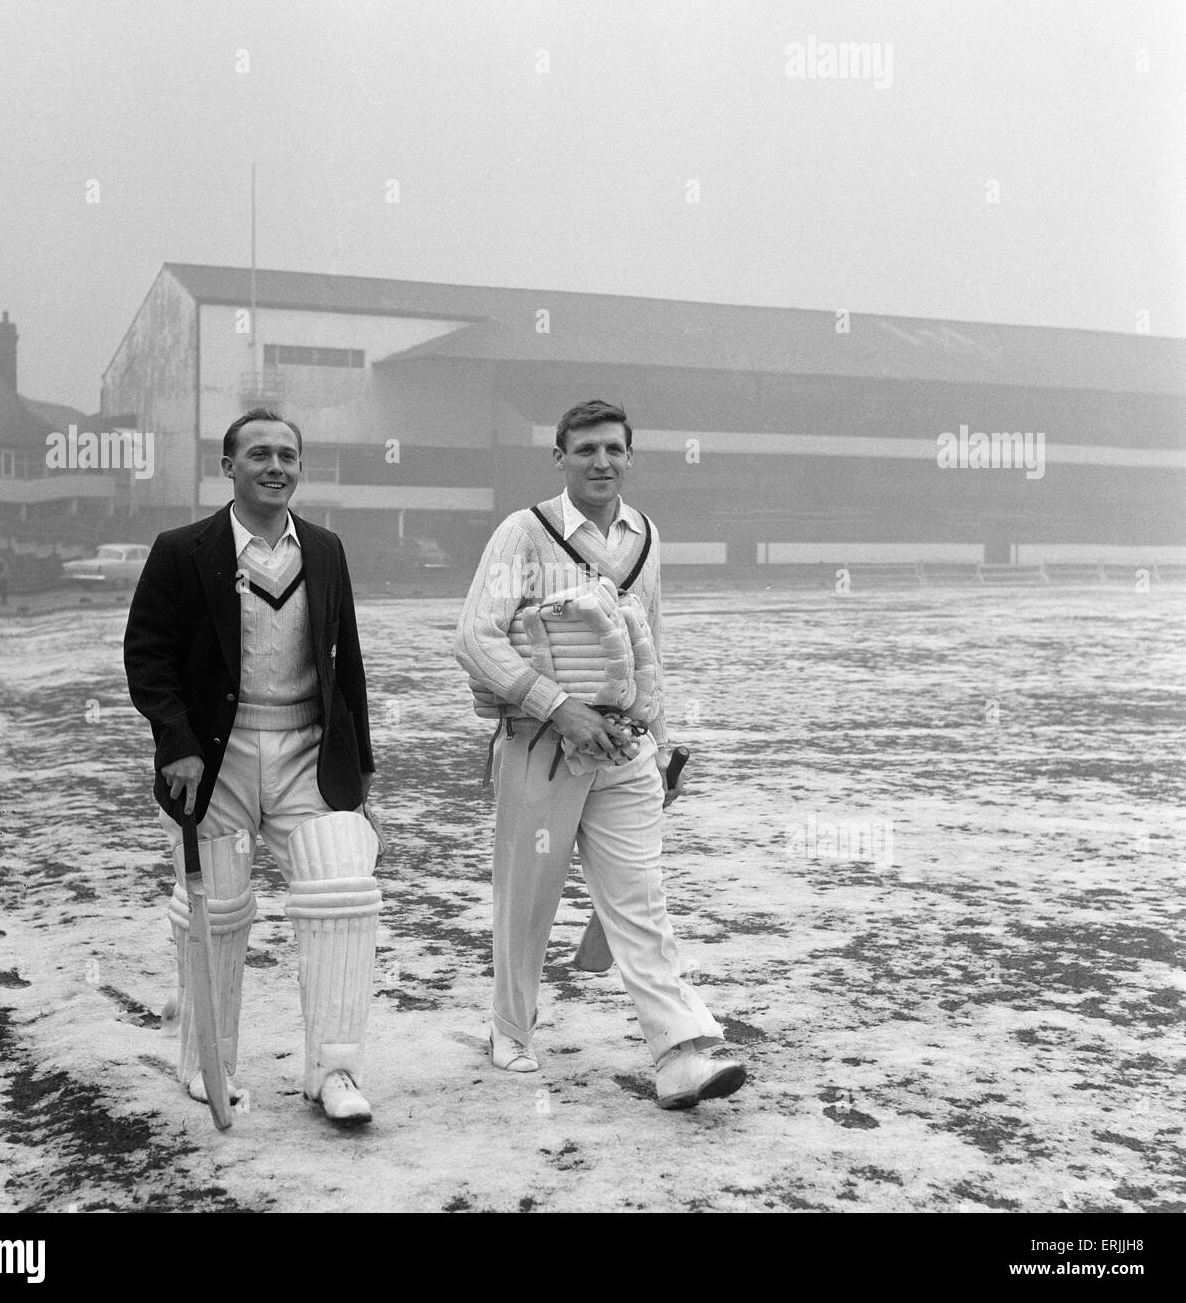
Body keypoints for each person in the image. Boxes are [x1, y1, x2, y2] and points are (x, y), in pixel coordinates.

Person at [453, 399, 746, 1110]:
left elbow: (653, 645)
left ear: (629, 455)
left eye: (613, 449)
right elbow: (475, 639)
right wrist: (561, 707)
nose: (601, 462)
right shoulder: (523, 534)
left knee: (641, 903)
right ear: (560, 457)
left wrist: (662, 747)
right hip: (541, 745)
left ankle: (680, 1053)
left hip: (625, 751)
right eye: (585, 450)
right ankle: (511, 1031)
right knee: (529, 901)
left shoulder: (646, 533)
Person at [124, 408, 382, 1126]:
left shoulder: (325, 549)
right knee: (221, 910)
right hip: (216, 758)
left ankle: (334, 1072)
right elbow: (147, 655)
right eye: (259, 454)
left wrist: (360, 766)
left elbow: (347, 663)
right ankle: (210, 1062)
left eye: (289, 456)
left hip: (307, 751)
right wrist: (174, 741)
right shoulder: (183, 550)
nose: (276, 466)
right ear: (227, 466)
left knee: (342, 895)